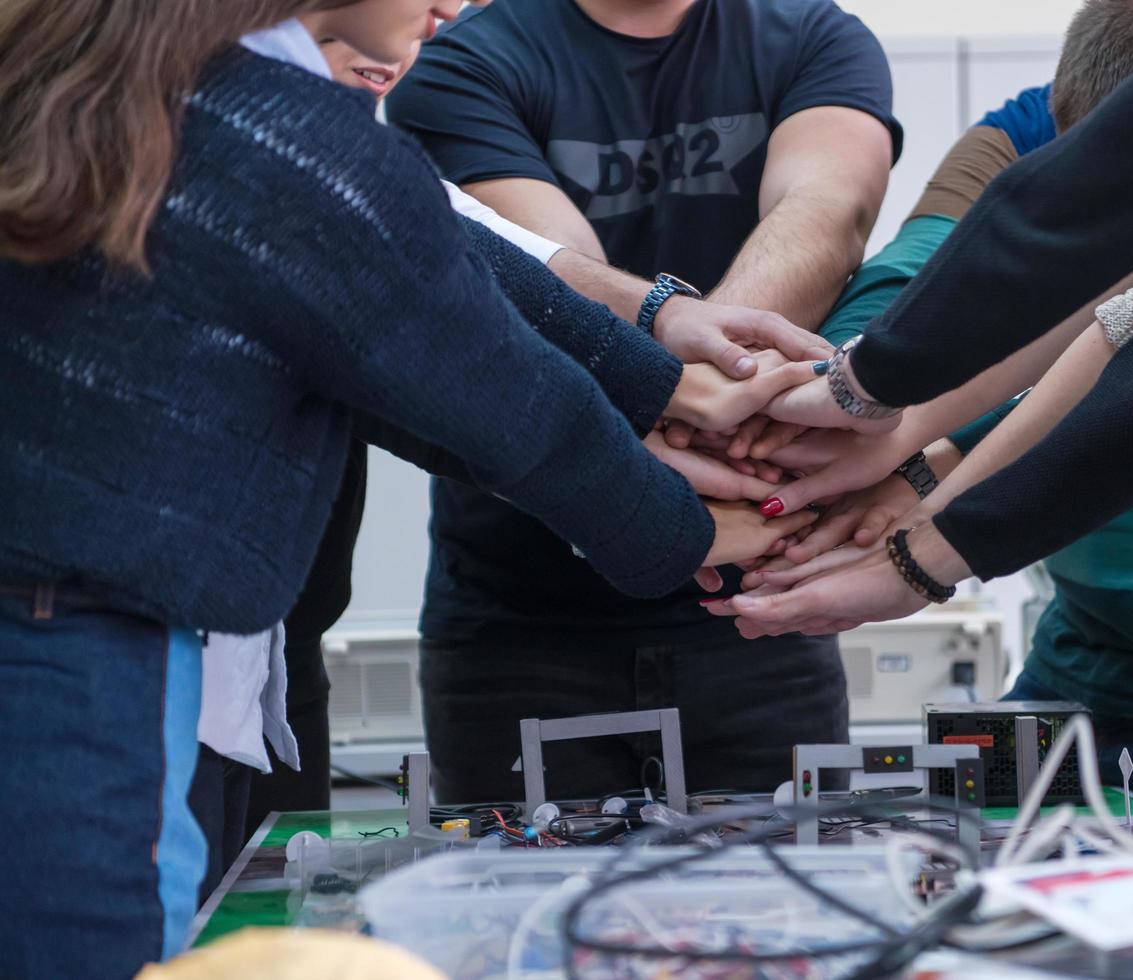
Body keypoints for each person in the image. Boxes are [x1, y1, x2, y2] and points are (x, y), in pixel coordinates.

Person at [0, 0, 822, 974]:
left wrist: (652, 375)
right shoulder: (295, 144)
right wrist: (703, 532)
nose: (450, 5)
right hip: (85, 666)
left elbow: (441, 248)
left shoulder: (89, 74)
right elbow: (516, 407)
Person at [726, 0, 1133, 849]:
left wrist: (924, 538)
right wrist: (846, 405)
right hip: (1085, 646)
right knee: (985, 912)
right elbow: (960, 285)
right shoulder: (1033, 124)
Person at [384, 0, 902, 802]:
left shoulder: (811, 35)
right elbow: (548, 279)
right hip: (524, 615)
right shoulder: (459, 59)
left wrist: (709, 374)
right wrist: (698, 395)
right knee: (516, 914)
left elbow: (829, 215)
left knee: (785, 910)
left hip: (758, 603)